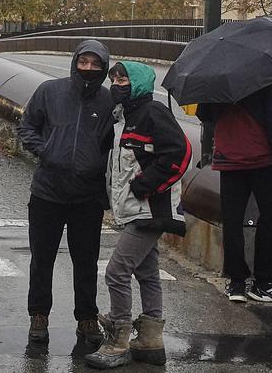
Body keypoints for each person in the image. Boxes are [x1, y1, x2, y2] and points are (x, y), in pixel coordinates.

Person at [86, 62, 191, 369]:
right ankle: (150, 341)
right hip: (132, 208)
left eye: (124, 78)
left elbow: (180, 153)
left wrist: (144, 185)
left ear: (140, 83)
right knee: (146, 272)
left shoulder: (153, 112)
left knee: (116, 272)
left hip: (150, 208)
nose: (118, 83)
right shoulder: (123, 117)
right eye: (115, 78)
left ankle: (118, 341)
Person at [16, 40, 115, 347]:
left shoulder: (109, 102)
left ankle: (86, 318)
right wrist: (46, 151)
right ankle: (39, 315)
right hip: (48, 192)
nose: (88, 68)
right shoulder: (50, 91)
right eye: (83, 62)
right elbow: (26, 127)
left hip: (87, 197)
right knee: (42, 259)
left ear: (103, 67)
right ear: (75, 62)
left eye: (95, 64)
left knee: (86, 261)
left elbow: (116, 144)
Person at [198, 80, 272, 305]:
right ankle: (264, 282)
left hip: (228, 158)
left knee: (232, 221)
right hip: (264, 158)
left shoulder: (218, 78)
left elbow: (204, 114)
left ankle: (236, 282)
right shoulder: (270, 78)